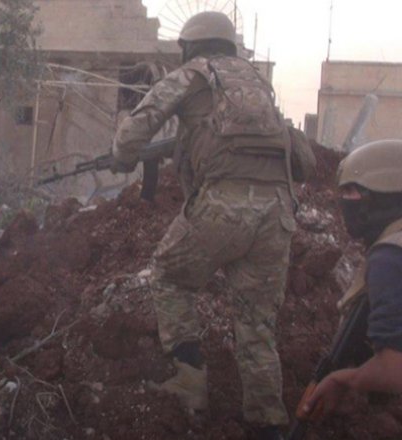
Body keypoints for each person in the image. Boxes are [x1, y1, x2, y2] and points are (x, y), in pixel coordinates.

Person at [108, 11, 316, 439]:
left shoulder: (192, 75)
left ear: (190, 46)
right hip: (277, 212)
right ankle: (268, 423)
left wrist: (121, 158)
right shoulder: (257, 84)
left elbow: (135, 131)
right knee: (257, 323)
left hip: (223, 206)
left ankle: (190, 383)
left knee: (169, 276)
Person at [300, 139, 402, 418]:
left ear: (384, 195)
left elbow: (394, 369)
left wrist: (342, 380)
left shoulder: (390, 256)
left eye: (351, 191)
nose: (343, 200)